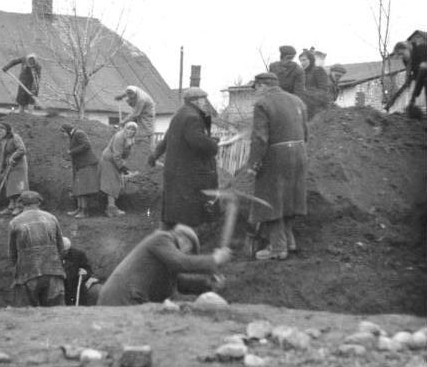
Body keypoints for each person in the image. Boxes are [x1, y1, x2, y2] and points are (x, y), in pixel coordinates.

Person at [244, 72, 308, 261]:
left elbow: (260, 138)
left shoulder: (262, 104)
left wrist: (253, 164)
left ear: (262, 86)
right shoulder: (297, 101)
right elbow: (306, 131)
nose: (255, 93)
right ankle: (290, 241)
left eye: (255, 88)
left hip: (276, 156)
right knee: (289, 199)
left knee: (271, 200)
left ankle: (278, 248)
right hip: (299, 153)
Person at [97, 224, 231, 306]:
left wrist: (208, 283)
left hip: (129, 299)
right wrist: (215, 259)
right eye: (190, 251)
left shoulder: (166, 257)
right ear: (184, 240)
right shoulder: (161, 238)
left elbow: (180, 282)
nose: (189, 255)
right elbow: (181, 262)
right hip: (121, 299)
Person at [148, 87, 219, 228]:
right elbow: (198, 143)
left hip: (175, 173)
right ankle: (187, 243)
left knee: (174, 212)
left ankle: (167, 237)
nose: (205, 102)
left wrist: (155, 155)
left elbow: (166, 139)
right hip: (189, 174)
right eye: (203, 99)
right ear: (196, 101)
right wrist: (213, 144)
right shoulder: (193, 117)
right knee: (189, 214)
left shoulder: (179, 115)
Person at [8, 191, 66, 307]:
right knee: (56, 312)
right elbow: (61, 247)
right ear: (39, 202)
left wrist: (18, 269)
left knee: (28, 313)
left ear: (21, 204)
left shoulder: (15, 222)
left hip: (28, 273)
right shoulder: (52, 218)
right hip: (53, 271)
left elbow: (12, 253)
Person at [61, 124, 99, 218]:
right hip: (80, 165)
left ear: (67, 131)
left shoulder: (79, 133)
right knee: (79, 187)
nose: (63, 135)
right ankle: (79, 208)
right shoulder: (73, 135)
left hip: (87, 164)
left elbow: (87, 145)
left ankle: (84, 211)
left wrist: (71, 151)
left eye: (63, 133)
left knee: (84, 188)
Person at [100, 122, 137, 217]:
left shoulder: (131, 139)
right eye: (129, 128)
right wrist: (122, 167)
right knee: (112, 183)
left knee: (115, 183)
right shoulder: (119, 137)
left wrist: (123, 164)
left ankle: (111, 208)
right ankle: (111, 209)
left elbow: (125, 153)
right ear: (125, 128)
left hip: (115, 161)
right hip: (109, 160)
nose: (131, 131)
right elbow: (117, 155)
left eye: (133, 130)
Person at [0, 122, 29, 216]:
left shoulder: (15, 137)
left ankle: (20, 207)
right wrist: (1, 169)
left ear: (7, 130)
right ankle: (11, 207)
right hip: (10, 166)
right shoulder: (4, 140)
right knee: (10, 186)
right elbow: (3, 155)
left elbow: (22, 150)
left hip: (19, 166)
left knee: (18, 187)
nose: (0, 133)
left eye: (2, 130)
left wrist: (12, 157)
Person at [61, 237, 101, 306]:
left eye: (66, 251)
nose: (64, 253)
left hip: (75, 286)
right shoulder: (54, 256)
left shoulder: (79, 255)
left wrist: (84, 272)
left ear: (69, 248)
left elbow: (88, 269)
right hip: (62, 286)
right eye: (62, 251)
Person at [392, 40, 427, 113]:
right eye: (399, 56)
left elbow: (422, 72)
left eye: (401, 54)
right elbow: (416, 77)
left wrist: (413, 97)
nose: (401, 57)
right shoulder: (406, 60)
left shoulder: (421, 49)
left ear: (407, 48)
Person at [298, 49, 330, 118]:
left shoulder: (318, 70)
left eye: (304, 60)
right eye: (300, 61)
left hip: (317, 107)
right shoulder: (302, 74)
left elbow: (324, 91)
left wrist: (307, 93)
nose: (302, 63)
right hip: (304, 105)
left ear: (311, 59)